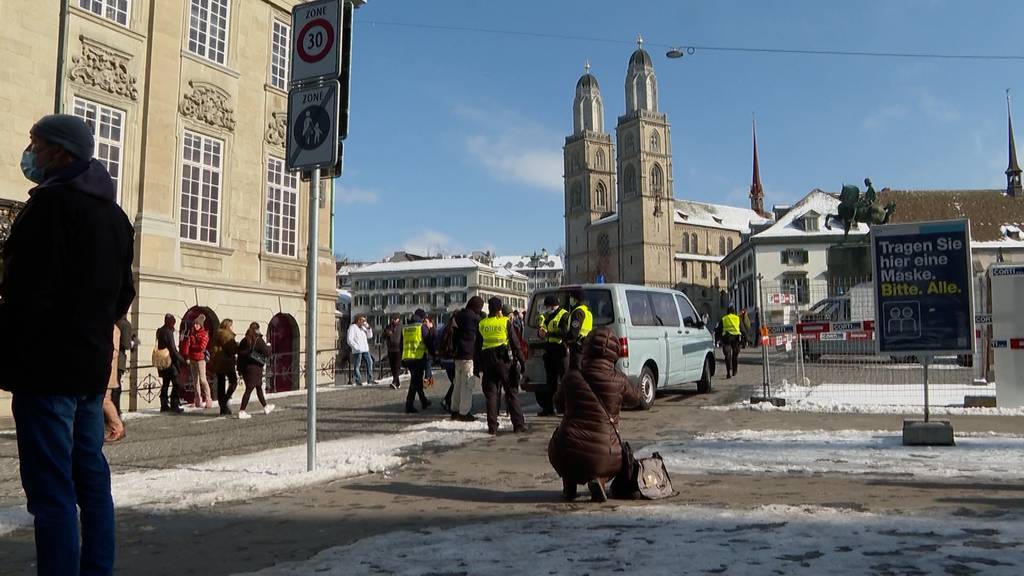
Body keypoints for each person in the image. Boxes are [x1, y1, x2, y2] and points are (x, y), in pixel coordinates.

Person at [0, 113, 135, 575]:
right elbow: (124, 295)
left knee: (52, 493)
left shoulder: (49, 207)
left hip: (44, 369)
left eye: (35, 144)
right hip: (87, 370)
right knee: (92, 483)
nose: (30, 153)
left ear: (59, 152)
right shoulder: (116, 218)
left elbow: (23, 292)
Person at [549, 328, 640, 502]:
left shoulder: (572, 375)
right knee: (614, 456)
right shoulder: (619, 380)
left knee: (562, 444)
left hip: (565, 450)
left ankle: (569, 486)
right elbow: (636, 398)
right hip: (604, 453)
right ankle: (599, 479)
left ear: (587, 348)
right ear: (615, 353)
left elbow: (558, 404)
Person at [476, 297, 527, 435]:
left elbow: (477, 346)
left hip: (488, 362)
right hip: (503, 361)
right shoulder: (505, 322)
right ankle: (518, 425)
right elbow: (515, 344)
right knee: (511, 392)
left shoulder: (482, 323)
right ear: (499, 309)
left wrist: (477, 366)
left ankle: (492, 426)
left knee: (491, 395)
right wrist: (522, 362)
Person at [451, 296, 484, 421]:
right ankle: (464, 413)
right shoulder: (474, 318)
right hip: (468, 355)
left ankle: (454, 410)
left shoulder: (458, 315)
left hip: (457, 355)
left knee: (457, 384)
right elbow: (479, 338)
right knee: (467, 385)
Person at [536, 294, 568, 416]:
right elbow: (542, 329)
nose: (546, 308)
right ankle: (548, 409)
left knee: (564, 380)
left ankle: (566, 409)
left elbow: (564, 332)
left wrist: (549, 333)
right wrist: (541, 332)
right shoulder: (547, 316)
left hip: (561, 351)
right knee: (550, 382)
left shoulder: (564, 315)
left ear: (553, 305)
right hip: (549, 351)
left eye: (548, 306)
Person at [237, 322, 275, 419]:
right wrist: (269, 346)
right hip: (255, 369)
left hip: (245, 369)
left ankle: (266, 407)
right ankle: (242, 411)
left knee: (258, 387)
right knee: (249, 390)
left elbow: (239, 356)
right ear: (257, 329)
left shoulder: (243, 341)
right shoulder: (258, 340)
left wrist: (239, 369)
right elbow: (267, 352)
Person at [400, 309, 435, 413]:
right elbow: (428, 341)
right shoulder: (421, 327)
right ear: (422, 318)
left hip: (407, 357)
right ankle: (409, 405)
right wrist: (434, 354)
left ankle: (424, 401)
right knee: (414, 382)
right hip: (418, 357)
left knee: (417, 380)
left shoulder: (406, 328)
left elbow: (401, 344)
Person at [157, 313, 186, 413]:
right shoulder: (168, 332)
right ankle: (174, 404)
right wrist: (182, 360)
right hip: (170, 361)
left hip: (162, 360)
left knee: (165, 383)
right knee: (176, 383)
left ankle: (164, 405)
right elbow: (173, 349)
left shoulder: (160, 330)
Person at [210, 319, 239, 415]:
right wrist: (237, 345)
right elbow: (232, 349)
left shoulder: (217, 333)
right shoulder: (226, 335)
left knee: (221, 384)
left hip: (218, 363)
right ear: (227, 326)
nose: (232, 327)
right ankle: (224, 401)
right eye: (231, 325)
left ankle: (223, 408)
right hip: (226, 362)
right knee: (234, 381)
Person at [185, 314, 212, 408]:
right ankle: (197, 399)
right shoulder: (191, 334)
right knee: (195, 380)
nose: (195, 326)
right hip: (192, 359)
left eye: (197, 324)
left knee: (202, 379)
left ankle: (208, 398)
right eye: (194, 324)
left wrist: (192, 346)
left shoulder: (204, 334)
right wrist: (188, 354)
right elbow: (187, 345)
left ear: (201, 325)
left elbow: (201, 347)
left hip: (200, 359)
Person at [104, 325, 126, 443]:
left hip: (106, 370)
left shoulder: (114, 329)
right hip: (105, 370)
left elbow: (113, 351)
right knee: (104, 400)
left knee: (104, 400)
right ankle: (116, 427)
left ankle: (117, 427)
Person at [564, 290, 594, 371]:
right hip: (586, 345)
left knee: (576, 370)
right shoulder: (587, 311)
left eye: (571, 297)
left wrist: (565, 340)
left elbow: (573, 333)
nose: (570, 299)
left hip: (577, 346)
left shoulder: (577, 312)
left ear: (575, 299)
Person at [113, 315, 137, 416]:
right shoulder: (125, 324)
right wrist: (133, 342)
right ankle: (115, 410)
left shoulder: (114, 321)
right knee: (116, 387)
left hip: (109, 357)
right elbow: (126, 344)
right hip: (118, 359)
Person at [347, 314, 374, 385]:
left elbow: (370, 336)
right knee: (357, 365)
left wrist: (368, 328)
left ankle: (370, 379)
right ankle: (357, 380)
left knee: (369, 362)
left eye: (364, 321)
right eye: (363, 320)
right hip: (358, 350)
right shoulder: (352, 327)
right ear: (358, 320)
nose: (364, 322)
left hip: (365, 349)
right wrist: (356, 347)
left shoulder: (363, 328)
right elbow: (349, 339)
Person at [719, 305, 742, 378]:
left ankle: (728, 372)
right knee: (735, 355)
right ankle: (734, 371)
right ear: (734, 311)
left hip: (727, 338)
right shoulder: (737, 318)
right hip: (736, 339)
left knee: (727, 355)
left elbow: (719, 329)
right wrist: (745, 338)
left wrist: (718, 338)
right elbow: (742, 329)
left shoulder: (724, 319)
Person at [382, 314, 404, 389]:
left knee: (397, 366)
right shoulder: (388, 326)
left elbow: (403, 338)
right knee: (392, 367)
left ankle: (394, 382)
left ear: (398, 319)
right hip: (390, 349)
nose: (393, 321)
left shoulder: (401, 327)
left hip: (399, 349)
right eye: (392, 319)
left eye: (394, 319)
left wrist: (403, 348)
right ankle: (397, 382)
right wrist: (387, 334)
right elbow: (383, 336)